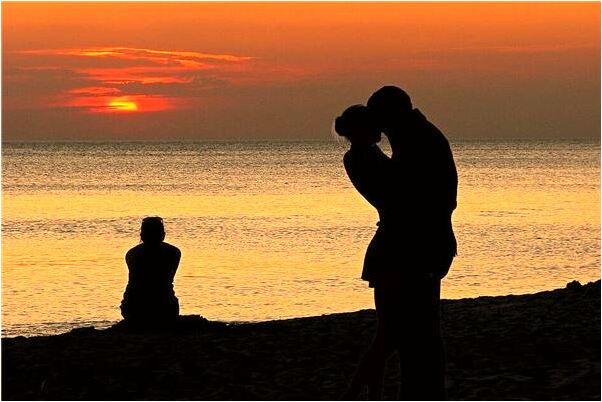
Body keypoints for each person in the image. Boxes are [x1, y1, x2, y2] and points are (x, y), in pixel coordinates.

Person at [366, 86, 458, 400]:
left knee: (419, 332)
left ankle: (423, 392)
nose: (376, 126)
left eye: (378, 117)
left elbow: (415, 196)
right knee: (418, 331)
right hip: (426, 244)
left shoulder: (417, 140)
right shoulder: (416, 136)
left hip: (423, 246)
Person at [335, 104, 399, 400]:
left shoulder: (361, 157)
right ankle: (356, 392)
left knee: (387, 332)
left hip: (387, 243)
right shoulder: (361, 157)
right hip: (391, 246)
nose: (380, 128)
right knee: (389, 334)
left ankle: (373, 392)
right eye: (373, 124)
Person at [120, 216, 181, 325]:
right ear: (163, 235)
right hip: (165, 307)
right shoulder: (174, 253)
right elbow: (166, 280)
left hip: (134, 308)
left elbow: (135, 284)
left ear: (142, 236)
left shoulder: (132, 254)